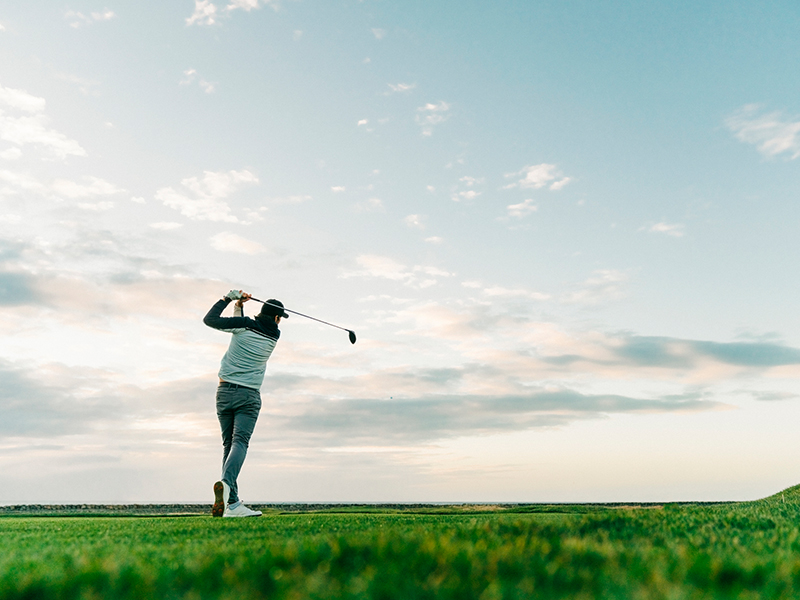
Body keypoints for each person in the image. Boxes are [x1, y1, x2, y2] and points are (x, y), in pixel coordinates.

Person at [203, 289, 289, 517]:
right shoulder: (273, 335)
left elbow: (210, 320)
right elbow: (241, 326)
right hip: (248, 396)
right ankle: (227, 485)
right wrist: (239, 308)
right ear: (277, 319)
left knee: (228, 445)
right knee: (239, 443)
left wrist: (229, 299)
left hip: (223, 393)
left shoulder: (244, 325)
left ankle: (231, 504)